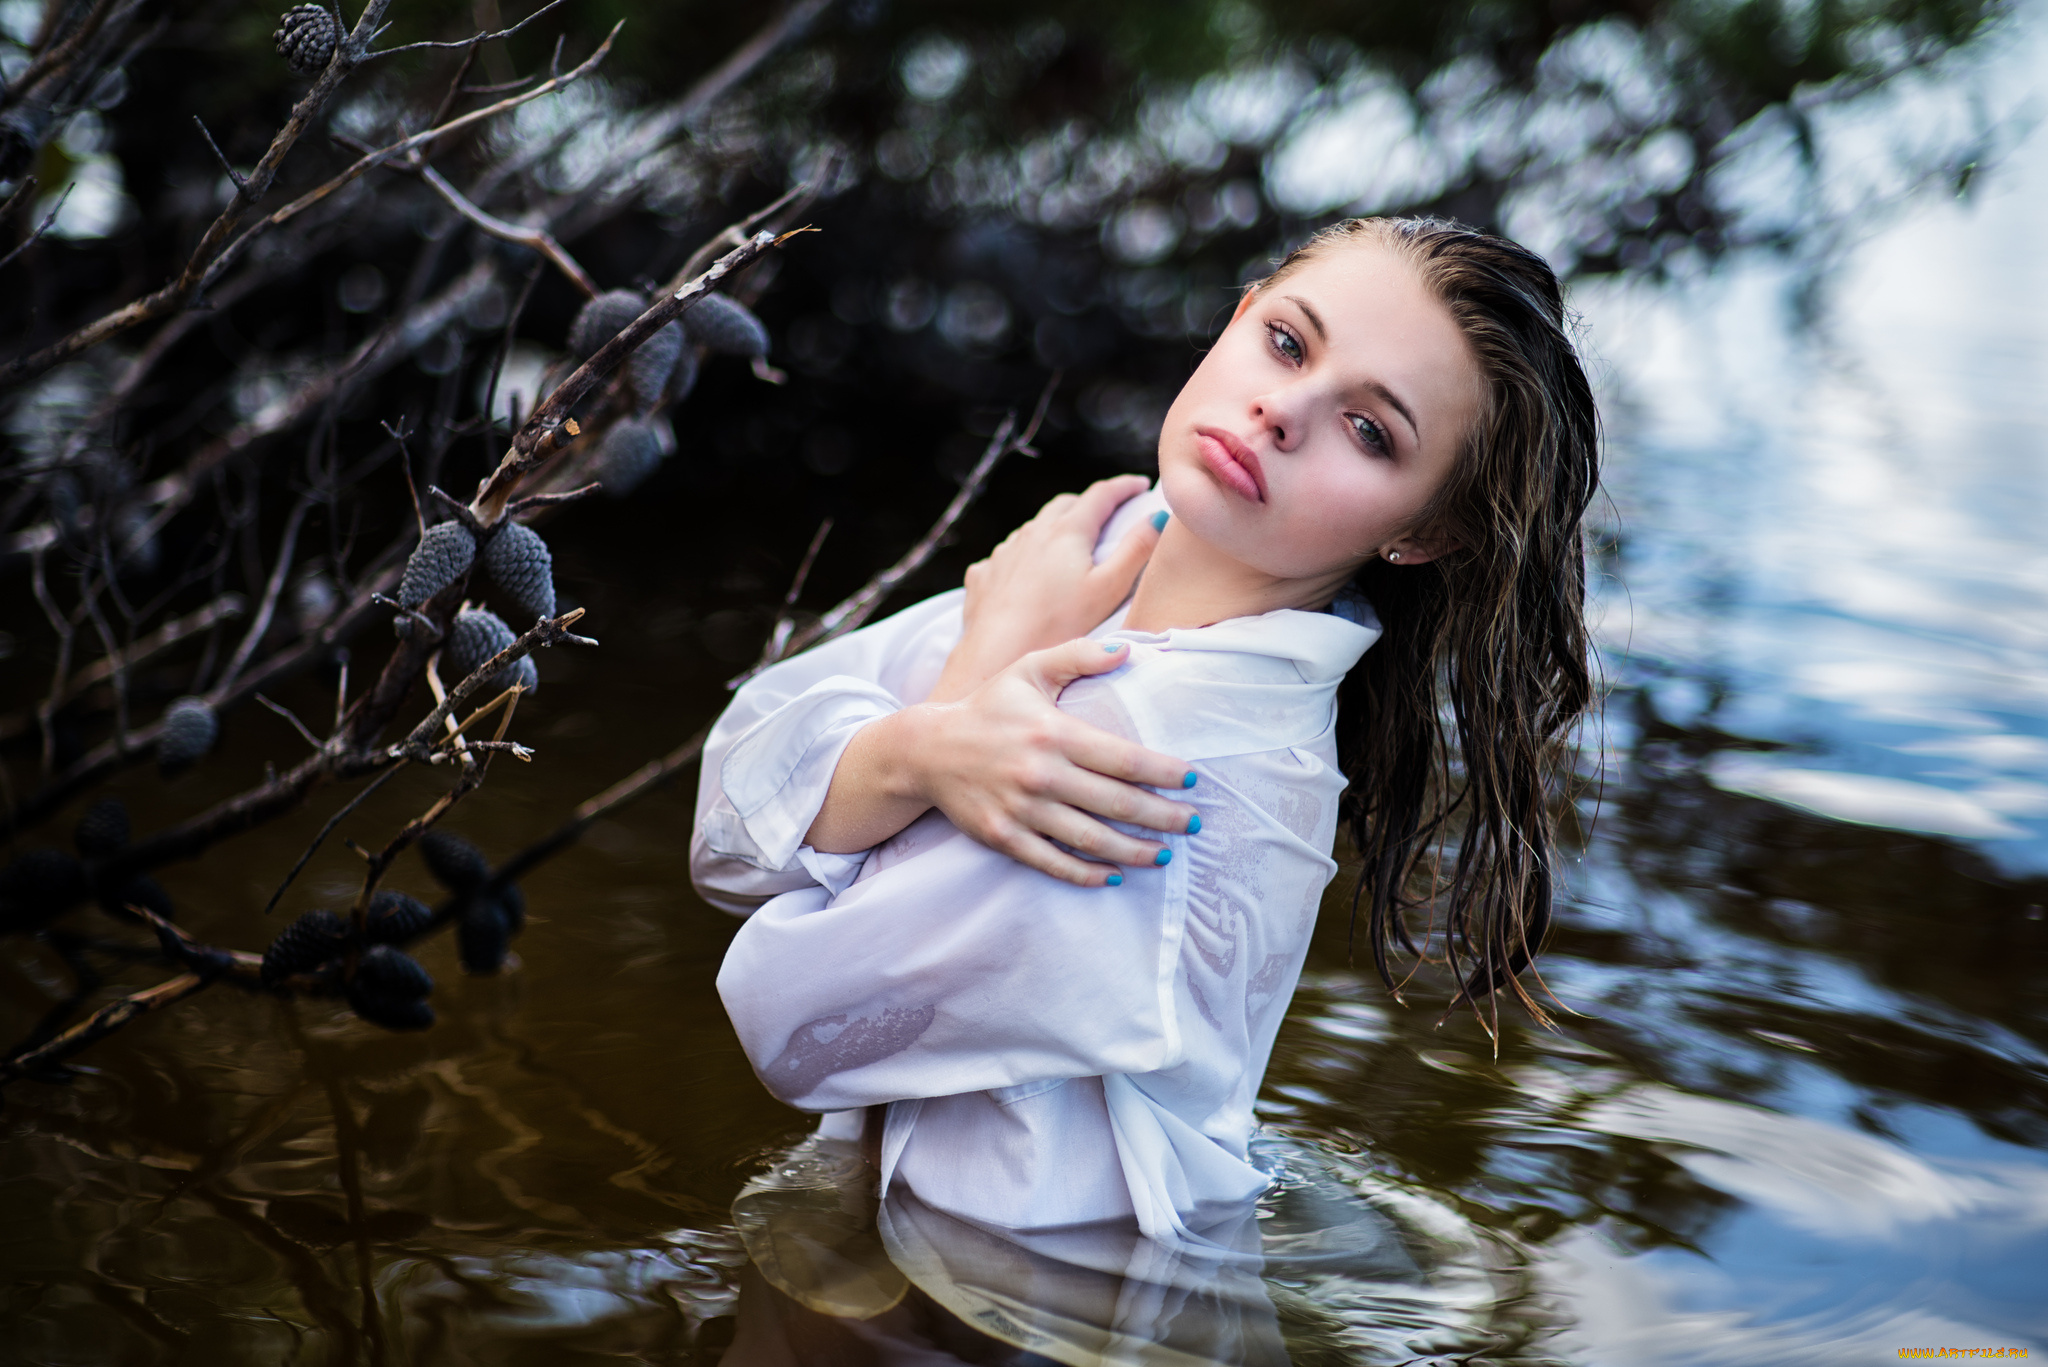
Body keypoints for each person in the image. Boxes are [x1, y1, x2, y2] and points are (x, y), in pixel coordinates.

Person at [693, 216, 1598, 1251]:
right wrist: (930, 743)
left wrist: (951, 697)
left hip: (1038, 1298)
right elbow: (724, 818)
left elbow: (793, 1021)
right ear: (1238, 313)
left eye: (1369, 431)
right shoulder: (1090, 565)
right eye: (1289, 342)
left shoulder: (1176, 762)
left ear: (1422, 532)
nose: (1280, 411)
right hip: (910, 1234)